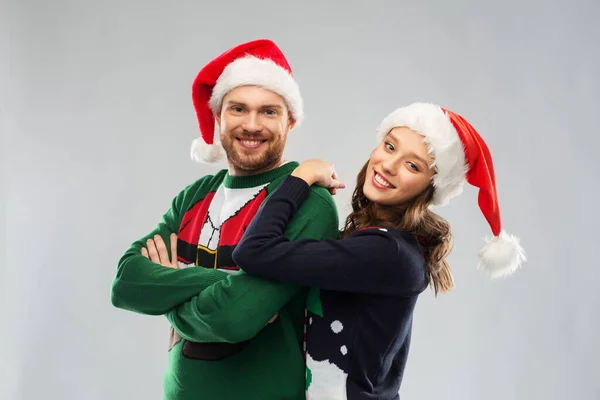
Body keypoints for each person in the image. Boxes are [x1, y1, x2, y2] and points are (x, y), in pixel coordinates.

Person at [232, 102, 527, 399]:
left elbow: (254, 251)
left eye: (413, 166)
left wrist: (301, 177)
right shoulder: (379, 243)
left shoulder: (385, 252)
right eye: (389, 147)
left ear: (431, 187)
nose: (388, 165)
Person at [110, 39, 339, 400]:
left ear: (290, 121)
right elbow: (126, 284)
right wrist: (226, 282)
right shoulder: (194, 196)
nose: (252, 125)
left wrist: (168, 291)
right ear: (218, 117)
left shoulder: (307, 201)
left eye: (268, 112)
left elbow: (235, 317)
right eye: (238, 109)